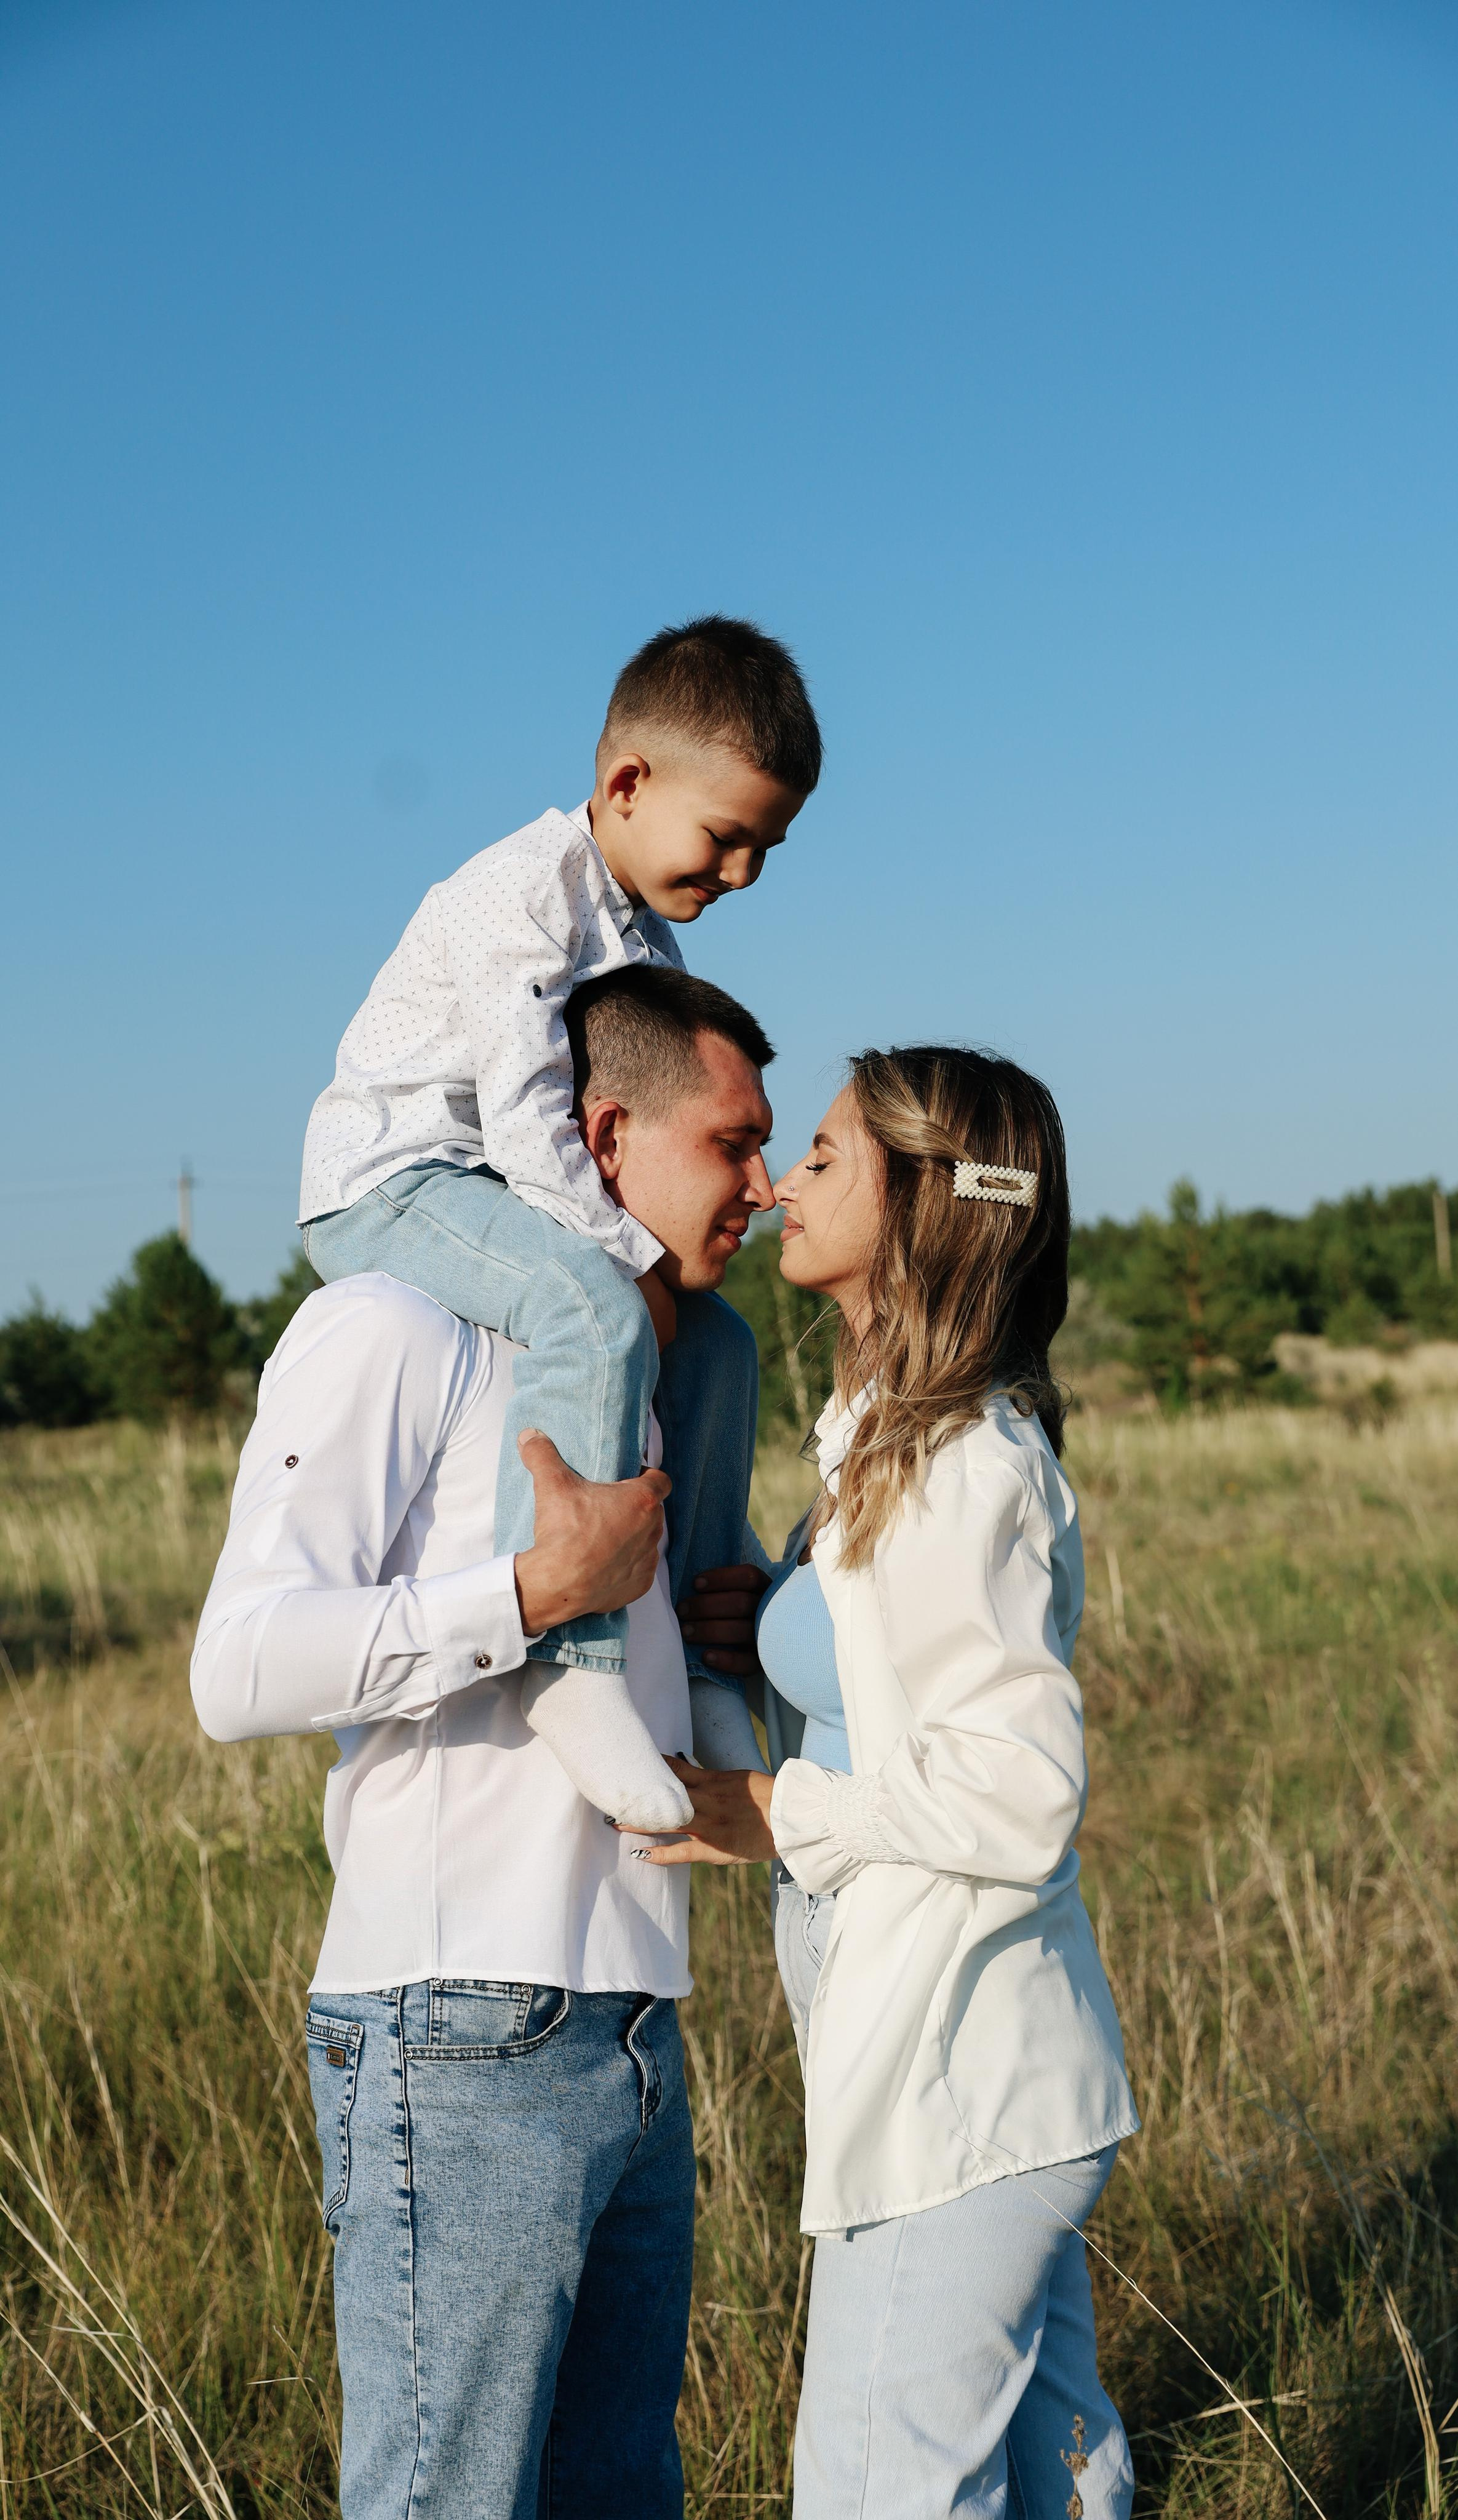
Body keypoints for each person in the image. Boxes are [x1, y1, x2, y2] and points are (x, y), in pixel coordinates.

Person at [191, 967, 778, 2520]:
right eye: (734, 1142)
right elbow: (235, 1664)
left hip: (644, 2018)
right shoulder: (397, 1325)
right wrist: (528, 1593)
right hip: (455, 2027)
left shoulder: (694, 1374)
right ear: (605, 1135)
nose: (766, 1186)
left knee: (620, 2493)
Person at [647, 1044, 1139, 2519]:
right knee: (1061, 2470)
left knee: (877, 2488)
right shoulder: (887, 1438)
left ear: (926, 1201)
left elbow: (1016, 1793)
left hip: (956, 2075)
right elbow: (907, 1713)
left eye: (825, 1153)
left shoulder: (959, 1460)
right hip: (966, 2060)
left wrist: (773, 1812)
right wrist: (780, 1632)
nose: (784, 1180)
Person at [297, 616, 819, 1830]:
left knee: (726, 1342)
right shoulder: (518, 899)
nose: (742, 871)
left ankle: (693, 1652)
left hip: (498, 1186)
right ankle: (571, 1667)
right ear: (626, 782)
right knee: (585, 1300)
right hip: (397, 1176)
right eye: (727, 836)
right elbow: (536, 1128)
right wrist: (628, 1256)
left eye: (766, 848)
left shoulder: (642, 934)